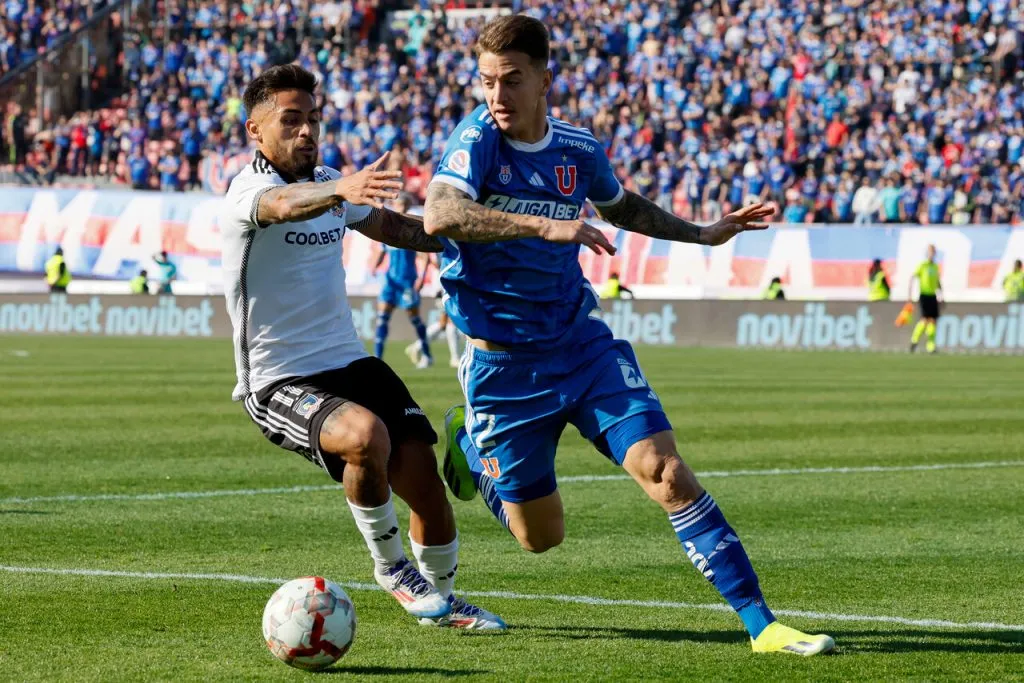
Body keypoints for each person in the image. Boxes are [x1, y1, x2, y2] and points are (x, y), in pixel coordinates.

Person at [422, 16, 832, 655]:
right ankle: (471, 450)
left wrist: (703, 232)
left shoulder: (577, 151)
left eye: (511, 80)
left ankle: (762, 625)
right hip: (503, 370)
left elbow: (622, 208)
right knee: (540, 538)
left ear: (544, 80)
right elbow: (440, 212)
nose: (496, 96)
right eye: (486, 82)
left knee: (667, 473)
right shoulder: (475, 140)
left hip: (581, 345)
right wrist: (542, 227)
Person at [220, 64, 502, 630]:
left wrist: (484, 230)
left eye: (313, 120)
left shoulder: (330, 181)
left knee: (429, 493)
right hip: (279, 378)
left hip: (351, 363)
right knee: (363, 438)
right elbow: (282, 206)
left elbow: (398, 229)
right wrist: (337, 189)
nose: (306, 131)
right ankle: (392, 568)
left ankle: (444, 606)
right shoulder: (247, 190)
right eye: (290, 120)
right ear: (255, 129)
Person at [372, 194, 433, 367]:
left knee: (414, 318)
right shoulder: (388, 228)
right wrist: (375, 266)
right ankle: (377, 359)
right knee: (382, 317)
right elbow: (383, 250)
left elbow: (425, 256)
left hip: (407, 280)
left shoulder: (411, 229)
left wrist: (421, 279)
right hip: (390, 281)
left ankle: (427, 355)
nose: (401, 208)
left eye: (404, 205)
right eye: (398, 204)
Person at [405, 259, 464, 369]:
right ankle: (455, 358)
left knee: (443, 323)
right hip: (442, 284)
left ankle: (417, 346)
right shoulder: (440, 245)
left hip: (444, 282)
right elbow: (434, 261)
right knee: (451, 320)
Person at [908, 244, 942, 354]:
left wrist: (941, 294)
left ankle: (930, 346)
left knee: (932, 321)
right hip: (924, 295)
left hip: (933, 296)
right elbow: (912, 277)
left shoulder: (935, 266)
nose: (932, 254)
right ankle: (914, 340)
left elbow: (937, 281)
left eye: (934, 252)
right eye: (930, 252)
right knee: (924, 320)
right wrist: (909, 295)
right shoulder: (923, 266)